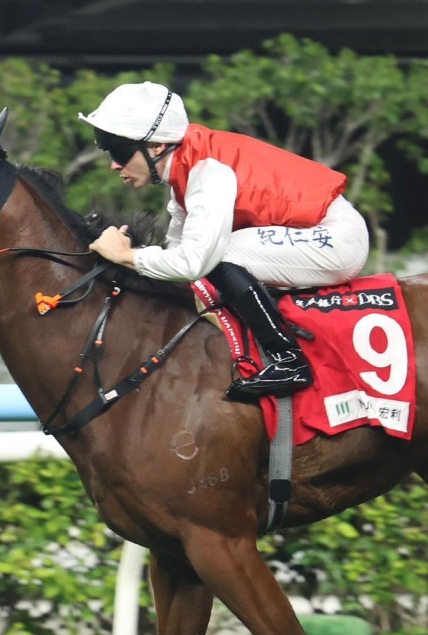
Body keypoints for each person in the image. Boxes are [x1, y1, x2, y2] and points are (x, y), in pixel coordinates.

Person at [80, 81, 369, 400]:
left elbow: (193, 263)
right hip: (313, 233)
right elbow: (176, 261)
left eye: (120, 152)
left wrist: (127, 257)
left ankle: (288, 360)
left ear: (157, 146)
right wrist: (132, 256)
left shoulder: (208, 172)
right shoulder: (185, 175)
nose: (113, 165)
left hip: (335, 238)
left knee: (217, 256)